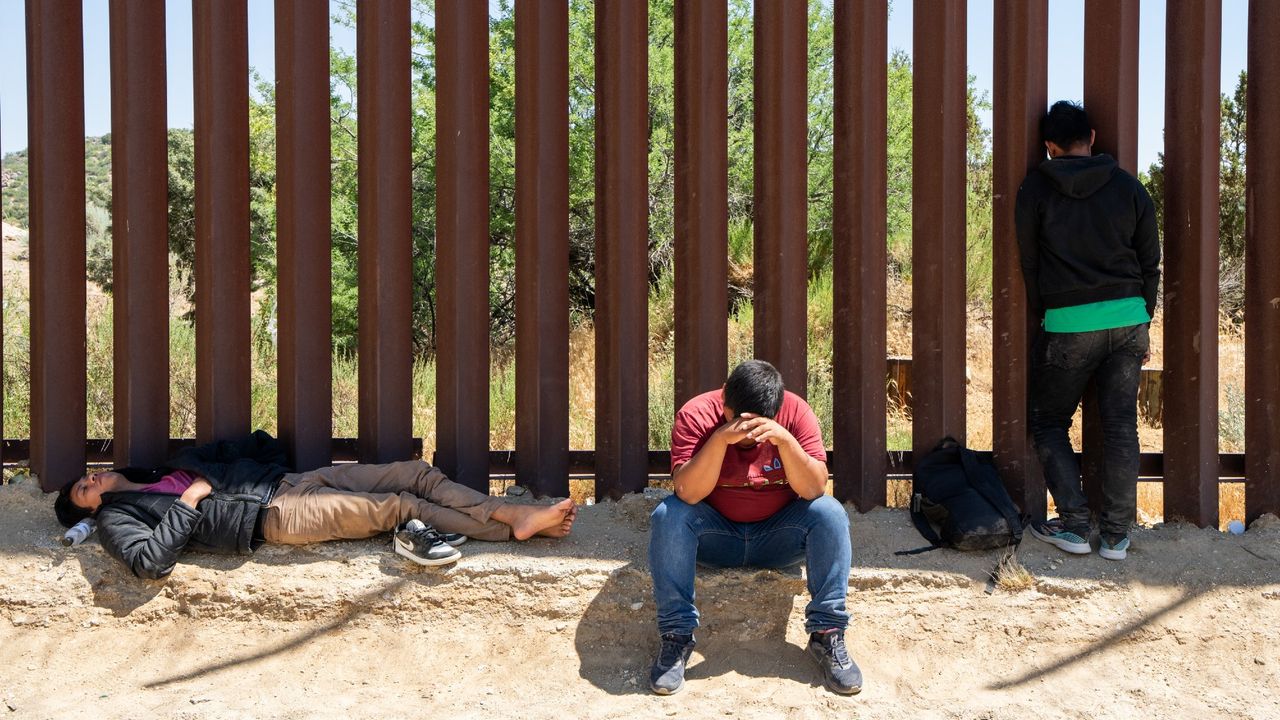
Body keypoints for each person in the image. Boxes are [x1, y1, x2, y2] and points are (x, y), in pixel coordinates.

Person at [54, 430, 577, 579]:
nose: (93, 479)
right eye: (85, 488)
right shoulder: (119, 518)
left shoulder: (165, 467)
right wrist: (191, 501)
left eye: (88, 475)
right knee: (396, 506)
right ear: (91, 512)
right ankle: (511, 523)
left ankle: (511, 516)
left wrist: (265, 466)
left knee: (412, 472)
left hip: (288, 483)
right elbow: (148, 563)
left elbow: (256, 443)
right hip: (274, 519)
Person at [646, 360, 860, 696]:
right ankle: (676, 637)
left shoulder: (796, 413)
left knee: (830, 513)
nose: (747, 435)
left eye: (758, 425)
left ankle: (827, 633)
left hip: (778, 537)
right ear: (724, 405)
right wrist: (719, 440)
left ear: (776, 410)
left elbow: (814, 490)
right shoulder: (697, 414)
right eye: (738, 421)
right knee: (667, 515)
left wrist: (786, 442)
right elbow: (688, 492)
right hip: (715, 537)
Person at [1015, 100, 1160, 562]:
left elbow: (1030, 262)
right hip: (1128, 318)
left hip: (1068, 323)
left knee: (1048, 421)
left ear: (1050, 147)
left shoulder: (1036, 188)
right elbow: (1150, 261)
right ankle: (1116, 536)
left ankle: (1075, 526)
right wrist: (1144, 315)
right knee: (1120, 427)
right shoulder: (1129, 188)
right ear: (1093, 137)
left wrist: (1048, 312)